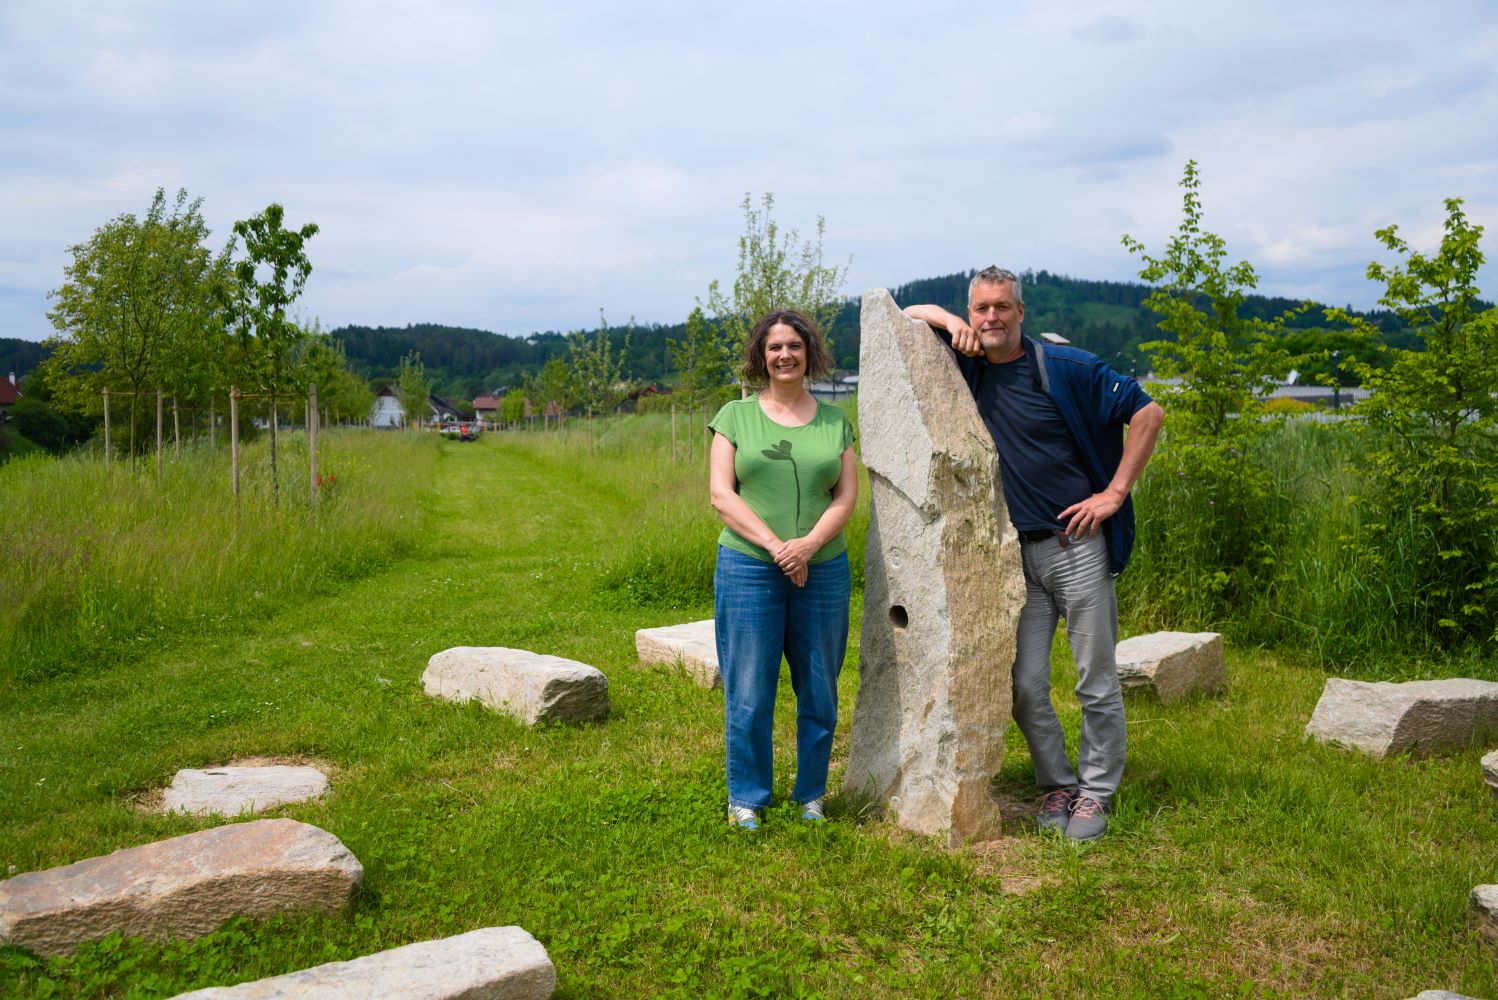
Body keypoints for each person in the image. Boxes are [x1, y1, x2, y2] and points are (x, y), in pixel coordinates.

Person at [904, 267, 1163, 841]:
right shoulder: (969, 367)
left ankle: (1096, 793)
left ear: (1021, 312)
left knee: (1095, 679)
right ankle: (1057, 784)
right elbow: (906, 315)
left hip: (1077, 546)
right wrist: (946, 319)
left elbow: (1148, 412)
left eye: (1002, 307)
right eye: (980, 308)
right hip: (1016, 558)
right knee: (1023, 684)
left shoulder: (1067, 368)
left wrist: (1114, 494)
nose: (991, 317)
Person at [708, 309, 859, 831]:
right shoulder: (735, 416)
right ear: (761, 355)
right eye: (774, 347)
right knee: (749, 687)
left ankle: (812, 794)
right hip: (749, 566)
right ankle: (747, 797)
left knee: (819, 686)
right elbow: (721, 495)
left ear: (809, 352)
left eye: (794, 345)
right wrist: (779, 548)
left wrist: (810, 545)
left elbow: (846, 496)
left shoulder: (835, 421)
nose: (785, 355)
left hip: (824, 568)